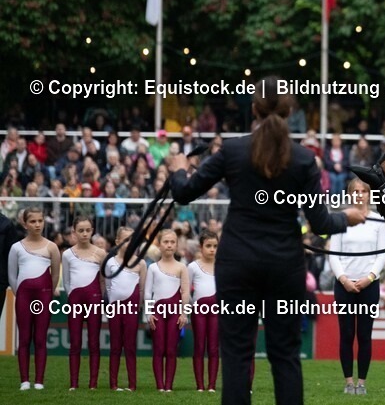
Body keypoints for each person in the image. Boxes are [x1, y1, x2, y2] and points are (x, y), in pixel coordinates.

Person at [169, 76, 364, 405]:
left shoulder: (232, 150)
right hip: (284, 266)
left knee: (236, 356)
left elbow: (184, 192)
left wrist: (177, 168)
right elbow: (319, 221)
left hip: (237, 264)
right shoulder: (304, 159)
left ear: (255, 109)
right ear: (288, 111)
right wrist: (349, 217)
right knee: (285, 357)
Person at [328, 177, 385, 395]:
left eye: (363, 191)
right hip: (344, 284)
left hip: (368, 285)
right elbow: (333, 255)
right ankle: (348, 382)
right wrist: (344, 279)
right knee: (346, 333)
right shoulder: (340, 219)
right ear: (350, 194)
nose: (360, 194)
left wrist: (369, 278)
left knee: (364, 334)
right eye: (356, 191)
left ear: (369, 195)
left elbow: (381, 255)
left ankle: (362, 383)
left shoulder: (379, 221)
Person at [8, 206, 60, 390]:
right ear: (25, 224)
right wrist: (19, 293)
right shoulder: (16, 248)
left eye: (40, 221)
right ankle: (24, 380)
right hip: (23, 296)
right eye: (33, 221)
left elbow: (55, 275)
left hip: (44, 297)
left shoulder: (52, 247)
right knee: (24, 338)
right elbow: (12, 275)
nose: (37, 225)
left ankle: (39, 380)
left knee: (40, 338)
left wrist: (48, 292)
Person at [62, 215, 106, 390]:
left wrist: (98, 297)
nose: (85, 234)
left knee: (94, 342)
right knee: (75, 342)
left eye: (88, 230)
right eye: (81, 230)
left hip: (94, 299)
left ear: (92, 231)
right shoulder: (67, 254)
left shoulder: (100, 253)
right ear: (74, 232)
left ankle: (93, 384)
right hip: (75, 301)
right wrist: (72, 295)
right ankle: (74, 383)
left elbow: (103, 280)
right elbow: (66, 281)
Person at [145, 228, 189, 392]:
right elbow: (148, 292)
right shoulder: (153, 268)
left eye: (172, 242)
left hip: (175, 313)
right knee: (159, 349)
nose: (169, 245)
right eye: (166, 242)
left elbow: (185, 292)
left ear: (176, 245)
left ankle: (168, 386)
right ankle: (159, 386)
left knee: (171, 350)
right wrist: (148, 313)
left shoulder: (181, 267)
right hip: (157, 313)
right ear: (160, 244)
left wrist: (184, 313)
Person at [106, 225, 146, 392]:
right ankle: (113, 383)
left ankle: (132, 384)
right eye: (125, 240)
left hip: (131, 307)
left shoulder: (141, 263)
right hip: (115, 307)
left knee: (129, 346)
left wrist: (137, 307)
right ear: (117, 242)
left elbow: (142, 289)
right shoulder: (110, 262)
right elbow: (108, 286)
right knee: (115, 345)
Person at [189, 230, 220, 392]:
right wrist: (188, 307)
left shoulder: (222, 265)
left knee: (214, 348)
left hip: (216, 310)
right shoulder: (193, 267)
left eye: (215, 246)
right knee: (199, 346)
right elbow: (185, 291)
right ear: (201, 247)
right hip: (198, 310)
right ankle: (200, 385)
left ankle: (212, 385)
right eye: (208, 246)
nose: (212, 249)